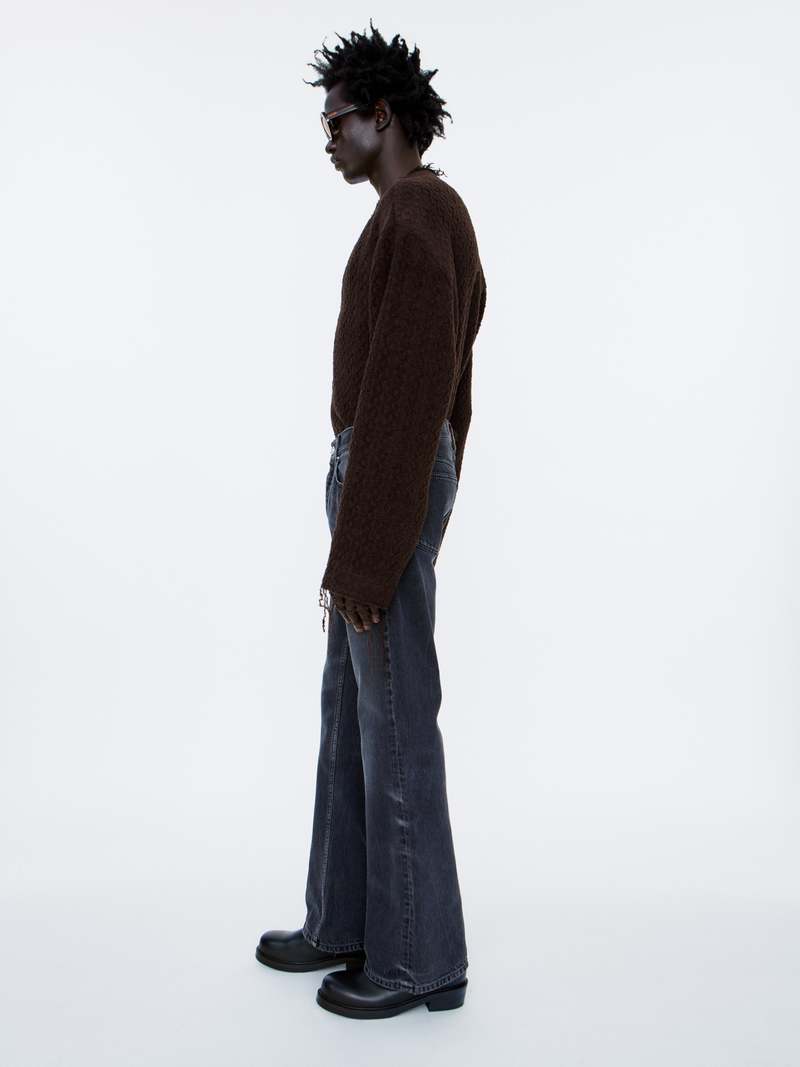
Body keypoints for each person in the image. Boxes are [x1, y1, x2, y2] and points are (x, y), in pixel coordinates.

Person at [255, 21, 487, 1020]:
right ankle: (345, 918)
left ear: (379, 115)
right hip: (383, 472)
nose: (328, 141)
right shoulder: (413, 215)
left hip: (382, 470)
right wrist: (415, 496)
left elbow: (415, 382)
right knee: (352, 707)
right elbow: (448, 396)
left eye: (335, 122)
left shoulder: (419, 209)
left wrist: (380, 533)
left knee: (393, 716)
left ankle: (416, 957)